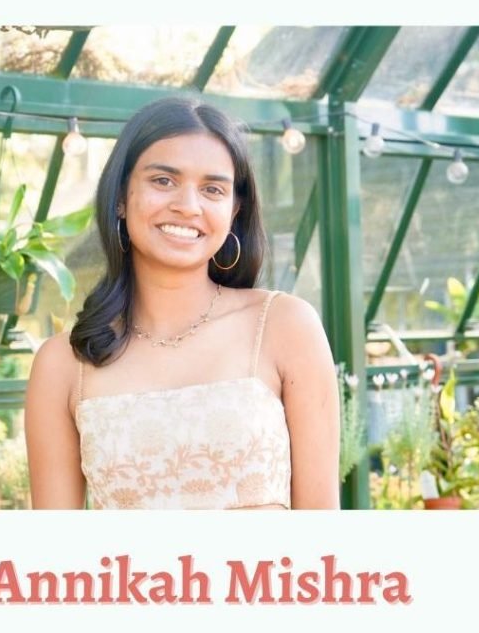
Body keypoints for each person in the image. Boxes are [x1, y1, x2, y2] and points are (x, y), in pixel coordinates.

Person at [24, 97, 339, 509]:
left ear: (233, 210)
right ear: (120, 196)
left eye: (212, 189)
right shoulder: (62, 365)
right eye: (163, 181)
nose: (188, 206)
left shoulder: (284, 326)